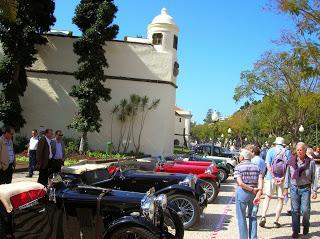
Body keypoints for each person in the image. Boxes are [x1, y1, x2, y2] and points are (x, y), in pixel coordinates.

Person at [283, 142, 318, 238]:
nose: (299, 152)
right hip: (294, 188)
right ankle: (295, 230)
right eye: (297, 150)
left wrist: (314, 190)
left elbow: (314, 177)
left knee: (305, 210)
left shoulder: (311, 162)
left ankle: (306, 225)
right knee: (295, 210)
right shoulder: (291, 161)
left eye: (301, 150)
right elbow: (287, 175)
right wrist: (285, 188)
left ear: (305, 151)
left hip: (306, 188)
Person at [259, 136, 291, 228]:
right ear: (283, 144)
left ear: (275, 143)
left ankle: (263, 216)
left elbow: (268, 165)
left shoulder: (270, 151)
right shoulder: (287, 152)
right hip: (282, 179)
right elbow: (288, 167)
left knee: (267, 197)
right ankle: (276, 221)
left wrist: (273, 176)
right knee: (280, 199)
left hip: (271, 177)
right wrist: (282, 178)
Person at [234, 148, 263, 239]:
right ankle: (253, 237)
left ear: (242, 157)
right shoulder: (257, 167)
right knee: (253, 216)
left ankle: (243, 237)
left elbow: (240, 183)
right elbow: (261, 182)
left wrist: (250, 189)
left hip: (243, 193)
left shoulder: (238, 167)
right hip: (254, 194)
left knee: (241, 217)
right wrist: (258, 193)